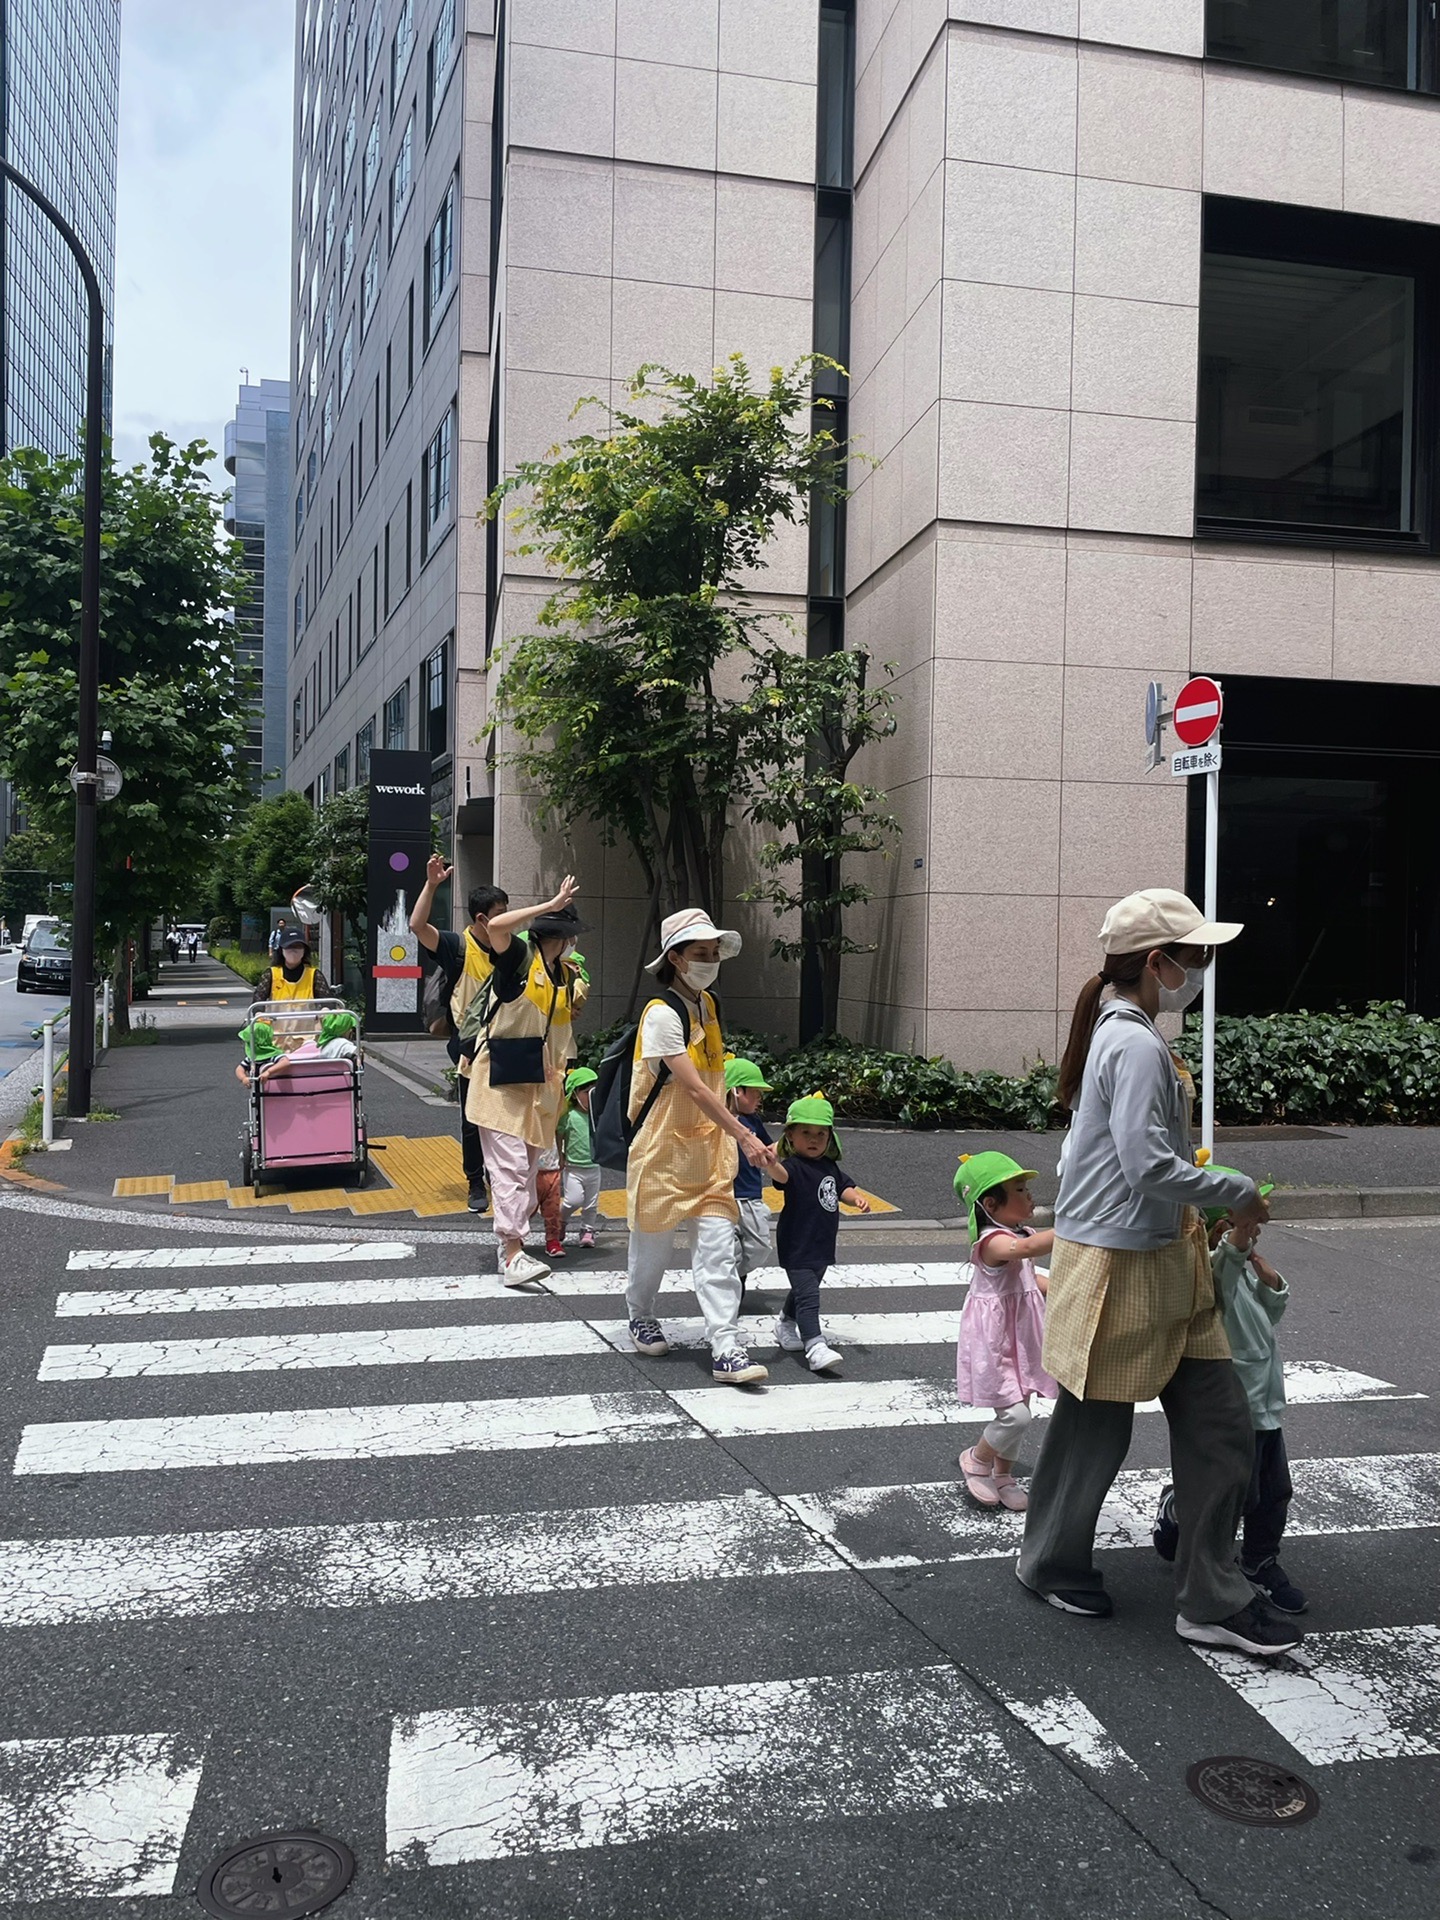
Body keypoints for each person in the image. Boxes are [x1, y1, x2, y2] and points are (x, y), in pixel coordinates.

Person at [1015, 886, 1301, 1659]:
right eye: (1196, 956)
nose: (1202, 969)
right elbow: (1143, 1163)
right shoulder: (1135, 1042)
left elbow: (1088, 1153)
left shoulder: (1129, 1032)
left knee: (1216, 1428)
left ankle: (1210, 1595)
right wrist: (1234, 1191)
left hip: (1157, 1258)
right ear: (1157, 963)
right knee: (1104, 1430)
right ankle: (1051, 1562)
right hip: (1121, 1264)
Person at [624, 908, 777, 1386]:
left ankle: (726, 1345)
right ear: (675, 958)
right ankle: (640, 1312)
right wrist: (747, 1134)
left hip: (709, 1153)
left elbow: (714, 1079)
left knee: (717, 1251)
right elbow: (693, 1088)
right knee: (651, 1250)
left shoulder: (707, 1006)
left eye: (714, 953)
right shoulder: (660, 1015)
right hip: (663, 1151)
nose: (710, 961)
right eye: (700, 953)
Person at [1154, 1173, 1304, 1614]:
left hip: (1265, 1404)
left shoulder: (1241, 1268)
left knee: (1273, 1491)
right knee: (1234, 1494)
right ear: (1220, 1229)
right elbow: (1221, 1286)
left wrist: (1271, 1279)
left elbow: (1269, 1315)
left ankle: (1259, 1561)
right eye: (1247, 1223)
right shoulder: (1213, 1270)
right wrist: (1238, 1242)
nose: (1256, 1229)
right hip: (1235, 1403)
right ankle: (1181, 1510)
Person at [462, 877, 588, 1287]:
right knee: (510, 1168)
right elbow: (498, 929)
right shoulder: (519, 957)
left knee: (527, 1171)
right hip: (499, 1083)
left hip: (539, 1087)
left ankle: (509, 1246)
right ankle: (514, 1253)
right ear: (565, 935)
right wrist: (547, 903)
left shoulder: (563, 975)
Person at [953, 1152, 1057, 1513]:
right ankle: (977, 1459)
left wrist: (1059, 1286)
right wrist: (1073, 1229)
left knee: (1021, 1410)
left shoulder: (1018, 1232)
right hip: (995, 1342)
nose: (1029, 1196)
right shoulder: (993, 1241)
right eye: (1020, 1189)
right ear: (991, 1203)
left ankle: (1004, 1476)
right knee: (1015, 1415)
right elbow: (1024, 1250)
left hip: (1022, 1337)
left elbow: (1030, 1278)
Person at [410, 861, 510, 1214]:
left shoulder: (510, 950)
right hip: (471, 1049)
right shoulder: (458, 947)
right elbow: (417, 926)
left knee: (507, 1116)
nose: (506, 919)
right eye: (500, 914)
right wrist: (431, 885)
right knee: (473, 1119)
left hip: (509, 1045)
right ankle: (474, 1181)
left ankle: (504, 1177)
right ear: (482, 919)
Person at [769, 1093, 872, 1373]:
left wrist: (856, 1199)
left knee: (805, 1289)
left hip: (822, 1243)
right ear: (790, 1136)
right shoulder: (793, 1166)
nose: (814, 1139)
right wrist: (769, 1162)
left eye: (820, 1134)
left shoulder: (829, 1167)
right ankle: (815, 1346)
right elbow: (780, 1177)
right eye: (806, 1133)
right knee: (809, 1294)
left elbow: (844, 1188)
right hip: (797, 1242)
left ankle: (785, 1323)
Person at [725, 1057, 775, 1297]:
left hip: (750, 1196)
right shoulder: (716, 1121)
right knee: (727, 1251)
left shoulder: (753, 1121)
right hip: (722, 1197)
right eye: (754, 1092)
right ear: (735, 1091)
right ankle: (728, 1289)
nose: (759, 1098)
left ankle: (731, 1276)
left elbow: (767, 1148)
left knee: (759, 1246)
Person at [560, 1067, 602, 1248]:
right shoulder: (569, 1116)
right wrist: (559, 1155)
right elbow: (559, 1135)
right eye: (586, 1092)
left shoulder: (598, 1116)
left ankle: (588, 1230)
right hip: (573, 1168)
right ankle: (560, 1221)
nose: (591, 1097)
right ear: (575, 1094)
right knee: (572, 1200)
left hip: (594, 1167)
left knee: (591, 1204)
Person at [254, 925, 333, 1003]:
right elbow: (257, 1003)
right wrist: (259, 1013)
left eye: (298, 946)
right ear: (281, 950)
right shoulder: (271, 974)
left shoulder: (314, 975)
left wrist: (325, 1010)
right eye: (289, 946)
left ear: (304, 951)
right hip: (276, 1015)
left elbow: (328, 1002)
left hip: (307, 1016)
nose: (293, 950)